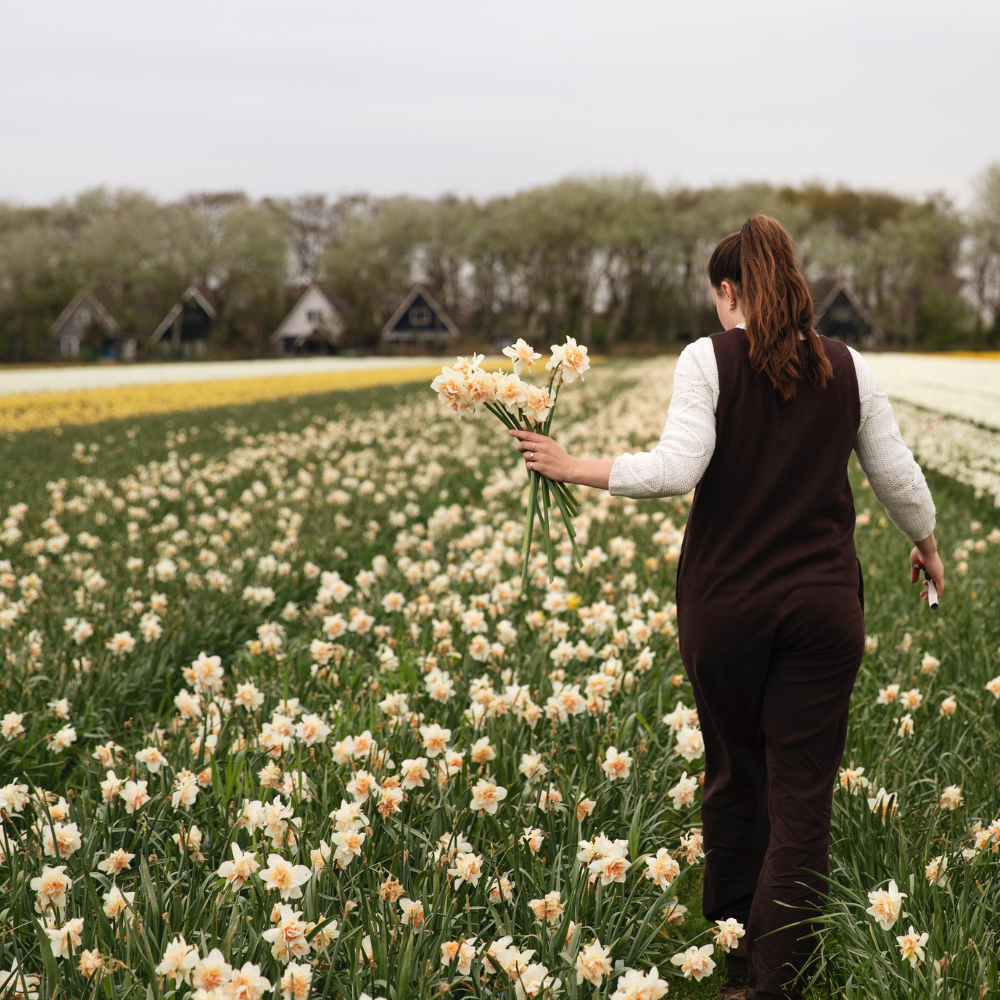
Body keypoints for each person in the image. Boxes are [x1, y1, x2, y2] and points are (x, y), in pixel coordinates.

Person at [509, 213, 944, 1000]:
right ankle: (778, 982)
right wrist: (927, 542)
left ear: (729, 290)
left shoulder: (708, 360)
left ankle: (740, 953)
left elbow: (680, 468)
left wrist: (574, 466)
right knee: (802, 794)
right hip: (822, 610)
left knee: (735, 773)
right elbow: (898, 477)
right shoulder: (849, 368)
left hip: (727, 609)